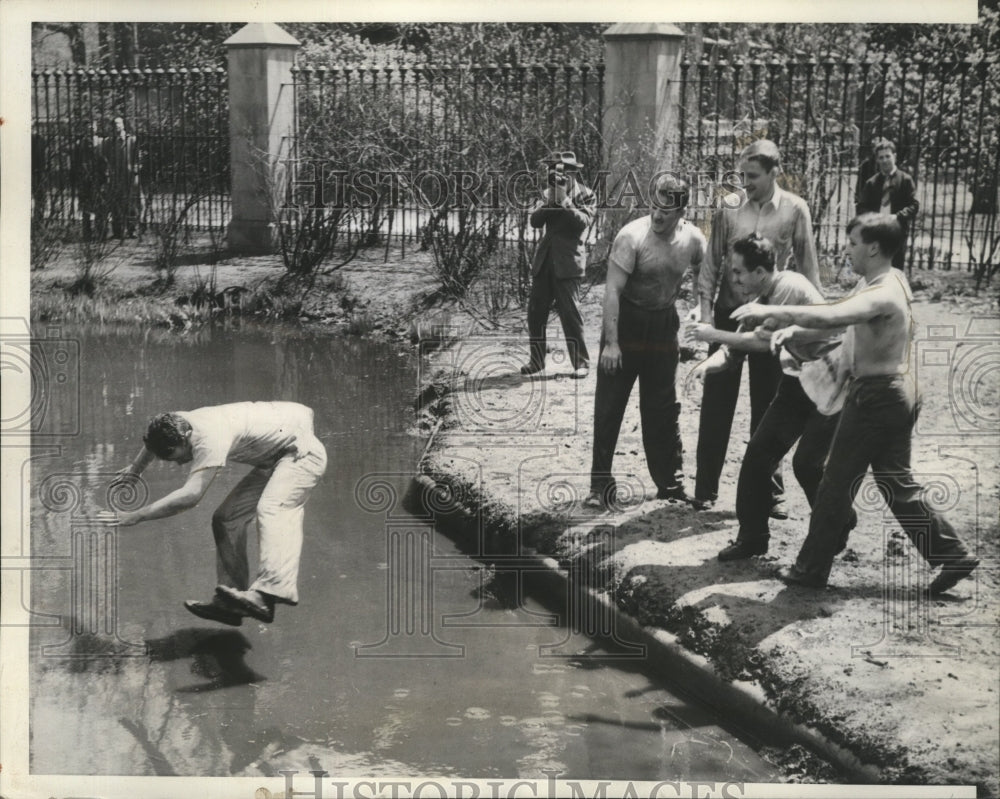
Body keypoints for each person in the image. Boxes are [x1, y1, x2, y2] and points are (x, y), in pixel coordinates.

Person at [731, 214, 978, 593]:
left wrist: (771, 311)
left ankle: (809, 572)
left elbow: (834, 313)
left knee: (834, 486)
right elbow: (843, 324)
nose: (847, 250)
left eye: (852, 243)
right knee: (897, 484)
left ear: (874, 247)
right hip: (894, 391)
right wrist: (796, 329)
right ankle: (953, 555)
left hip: (877, 396)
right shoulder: (882, 281)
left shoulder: (883, 292)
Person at [688, 233, 852, 560]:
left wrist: (711, 333)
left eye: (738, 272)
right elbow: (732, 351)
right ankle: (752, 538)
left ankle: (838, 523)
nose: (732, 280)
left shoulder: (788, 287)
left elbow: (764, 343)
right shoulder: (759, 302)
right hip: (798, 377)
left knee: (806, 464)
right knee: (758, 456)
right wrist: (705, 366)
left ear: (761, 273)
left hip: (832, 378)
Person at [102, 402, 328, 625]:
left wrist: (137, 515)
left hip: (301, 456)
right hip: (274, 456)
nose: (180, 463)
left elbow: (191, 496)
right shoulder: (175, 422)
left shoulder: (210, 440)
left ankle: (269, 593)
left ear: (186, 437)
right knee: (225, 519)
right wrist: (135, 471)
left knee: (271, 508)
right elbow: (152, 442)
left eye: (178, 455)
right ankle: (231, 602)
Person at [690, 139, 821, 515]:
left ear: (773, 172)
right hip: (728, 314)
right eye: (741, 175)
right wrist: (706, 314)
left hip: (771, 319)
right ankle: (705, 489)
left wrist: (815, 321)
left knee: (769, 409)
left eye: (752, 176)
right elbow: (712, 264)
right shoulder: (729, 207)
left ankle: (770, 493)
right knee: (716, 404)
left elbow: (809, 269)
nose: (744, 183)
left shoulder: (796, 209)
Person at [586, 174, 706, 508]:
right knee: (609, 406)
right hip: (626, 323)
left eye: (666, 210)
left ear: (681, 211)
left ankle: (670, 483)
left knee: (663, 409)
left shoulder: (694, 239)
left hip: (663, 325)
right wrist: (611, 343)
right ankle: (599, 486)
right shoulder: (631, 237)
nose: (657, 215)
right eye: (654, 205)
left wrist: (698, 310)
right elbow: (612, 290)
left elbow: (704, 277)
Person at [521, 151, 596, 379]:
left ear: (573, 172)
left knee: (570, 313)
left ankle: (581, 362)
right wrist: (550, 202)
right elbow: (534, 221)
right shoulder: (546, 193)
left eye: (562, 169)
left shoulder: (586, 194)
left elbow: (582, 223)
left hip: (568, 262)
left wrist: (564, 202)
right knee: (535, 313)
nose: (557, 174)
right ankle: (536, 361)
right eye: (553, 169)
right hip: (545, 262)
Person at [855, 138, 919, 270]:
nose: (884, 160)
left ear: (894, 156)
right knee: (875, 267)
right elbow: (861, 207)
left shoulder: (905, 180)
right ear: (877, 160)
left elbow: (914, 205)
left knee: (895, 268)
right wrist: (874, 218)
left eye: (887, 156)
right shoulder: (872, 183)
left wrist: (898, 216)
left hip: (897, 230)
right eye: (881, 157)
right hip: (876, 230)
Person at [104, 116, 142, 239]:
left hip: (129, 177)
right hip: (116, 177)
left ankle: (133, 230)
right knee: (116, 204)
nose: (117, 126)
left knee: (131, 203)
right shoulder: (109, 142)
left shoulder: (132, 140)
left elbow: (137, 158)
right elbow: (107, 159)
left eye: (119, 123)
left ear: (123, 125)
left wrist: (135, 171)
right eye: (114, 124)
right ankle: (117, 231)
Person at [70, 120, 108, 241]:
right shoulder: (79, 143)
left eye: (93, 126)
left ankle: (101, 233)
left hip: (98, 179)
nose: (91, 128)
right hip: (84, 180)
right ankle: (87, 234)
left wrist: (105, 177)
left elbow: (106, 161)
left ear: (97, 128)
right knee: (85, 208)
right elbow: (75, 163)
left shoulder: (102, 142)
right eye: (89, 126)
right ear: (85, 129)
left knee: (100, 206)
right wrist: (77, 179)